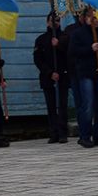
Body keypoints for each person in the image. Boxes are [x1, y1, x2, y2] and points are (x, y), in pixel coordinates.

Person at [67, 7, 98, 147]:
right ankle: (85, 135)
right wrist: (90, 49)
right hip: (85, 73)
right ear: (86, 19)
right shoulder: (78, 34)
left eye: (97, 17)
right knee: (87, 105)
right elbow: (72, 52)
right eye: (93, 18)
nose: (96, 20)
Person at [32, 11, 71, 143]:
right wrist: (49, 73)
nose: (55, 23)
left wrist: (58, 45)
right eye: (53, 21)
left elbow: (69, 55)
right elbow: (38, 60)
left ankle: (63, 132)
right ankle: (53, 132)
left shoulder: (65, 37)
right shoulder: (41, 40)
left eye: (58, 21)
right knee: (51, 106)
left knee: (63, 105)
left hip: (63, 76)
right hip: (48, 77)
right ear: (48, 22)